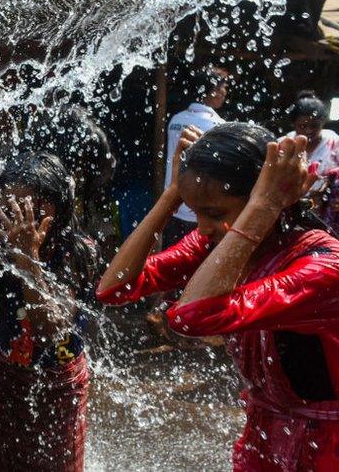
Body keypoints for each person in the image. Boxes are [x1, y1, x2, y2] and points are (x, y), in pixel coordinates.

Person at [98, 122, 339, 471]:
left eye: (214, 213)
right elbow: (114, 287)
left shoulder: (324, 266)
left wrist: (266, 204)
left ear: (264, 198)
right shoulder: (215, 241)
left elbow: (192, 316)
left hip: (327, 446)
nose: (202, 228)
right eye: (195, 212)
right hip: (264, 430)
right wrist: (172, 193)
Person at [0, 153, 96, 471]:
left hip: (60, 382)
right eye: (9, 208)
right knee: (2, 463)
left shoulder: (77, 250)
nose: (18, 218)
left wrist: (28, 257)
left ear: (56, 208)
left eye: (28, 208)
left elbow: (50, 331)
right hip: (8, 375)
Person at [161, 65, 229, 247]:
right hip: (198, 210)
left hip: (173, 206)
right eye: (223, 87)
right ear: (213, 91)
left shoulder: (176, 119)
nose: (225, 92)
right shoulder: (217, 125)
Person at [284, 90, 339, 195]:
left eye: (314, 126)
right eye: (302, 126)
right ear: (293, 124)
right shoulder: (285, 144)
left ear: (322, 123)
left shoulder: (334, 144)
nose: (309, 131)